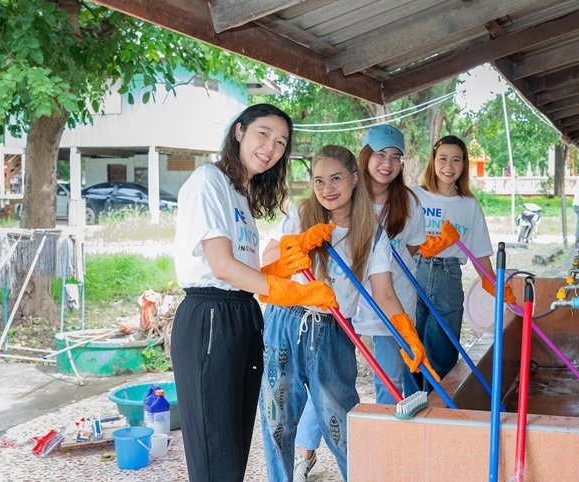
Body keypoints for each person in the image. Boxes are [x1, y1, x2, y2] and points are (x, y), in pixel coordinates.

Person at [171, 104, 338, 482]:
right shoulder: (207, 181)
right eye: (263, 133)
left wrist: (284, 263)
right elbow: (222, 267)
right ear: (239, 132)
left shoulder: (239, 196)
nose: (271, 147)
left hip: (242, 313)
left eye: (281, 142)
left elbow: (243, 268)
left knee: (234, 449)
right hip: (210, 315)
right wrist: (293, 294)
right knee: (216, 451)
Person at [259, 144, 428, 482]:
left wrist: (405, 332)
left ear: (354, 179)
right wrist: (300, 244)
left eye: (336, 178)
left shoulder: (372, 233)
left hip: (334, 329)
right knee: (278, 418)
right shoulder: (302, 214)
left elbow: (384, 293)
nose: (327, 189)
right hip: (285, 321)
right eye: (319, 181)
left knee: (340, 418)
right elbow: (267, 265)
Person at [404, 135, 516, 396]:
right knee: (411, 348)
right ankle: (413, 407)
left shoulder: (469, 205)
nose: (449, 166)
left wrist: (496, 286)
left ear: (464, 165)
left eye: (456, 160)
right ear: (433, 161)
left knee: (442, 349)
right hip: (414, 273)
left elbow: (480, 255)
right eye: (443, 158)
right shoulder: (414, 197)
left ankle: (440, 408)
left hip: (449, 277)